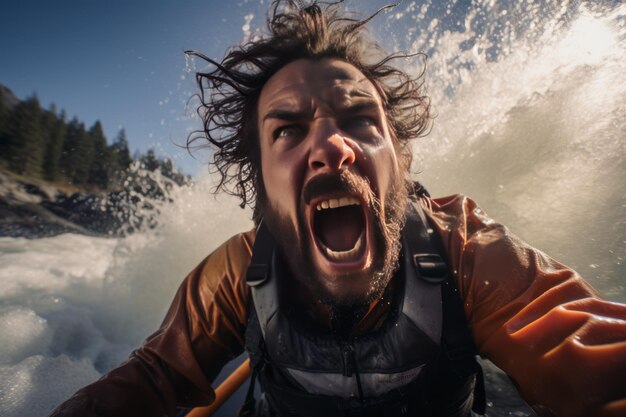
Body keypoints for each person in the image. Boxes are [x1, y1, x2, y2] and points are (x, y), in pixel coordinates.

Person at [49, 1, 626, 417]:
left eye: (358, 120)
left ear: (400, 160)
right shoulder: (235, 275)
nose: (330, 147)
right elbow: (153, 378)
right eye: (288, 131)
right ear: (260, 184)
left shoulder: (466, 252)